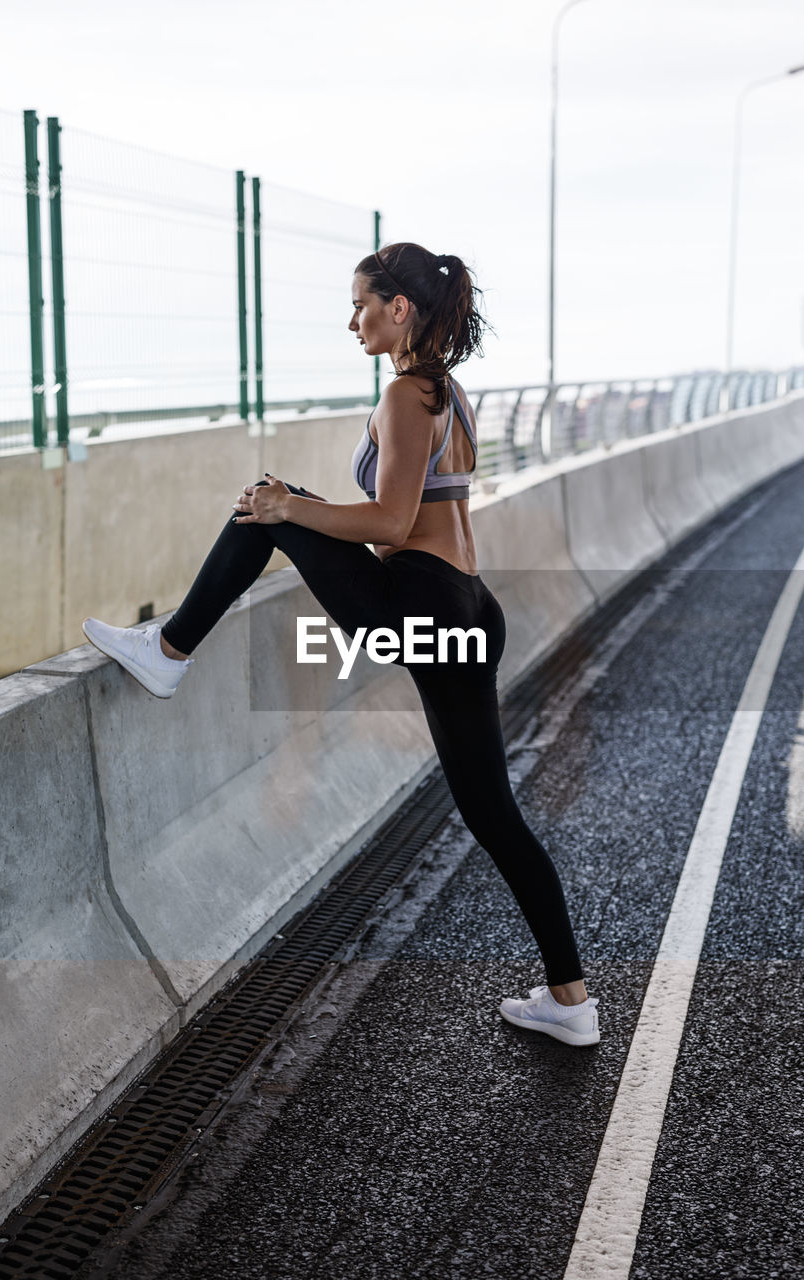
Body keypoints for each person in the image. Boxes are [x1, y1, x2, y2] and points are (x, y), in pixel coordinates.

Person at [82, 242, 599, 1048]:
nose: (351, 320)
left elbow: (390, 523)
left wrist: (289, 508)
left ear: (400, 308)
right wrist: (296, 508)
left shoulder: (402, 397)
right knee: (494, 814)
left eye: (361, 303)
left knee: (263, 505)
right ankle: (569, 1002)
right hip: (469, 605)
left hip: (422, 601)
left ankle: (170, 651)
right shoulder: (448, 394)